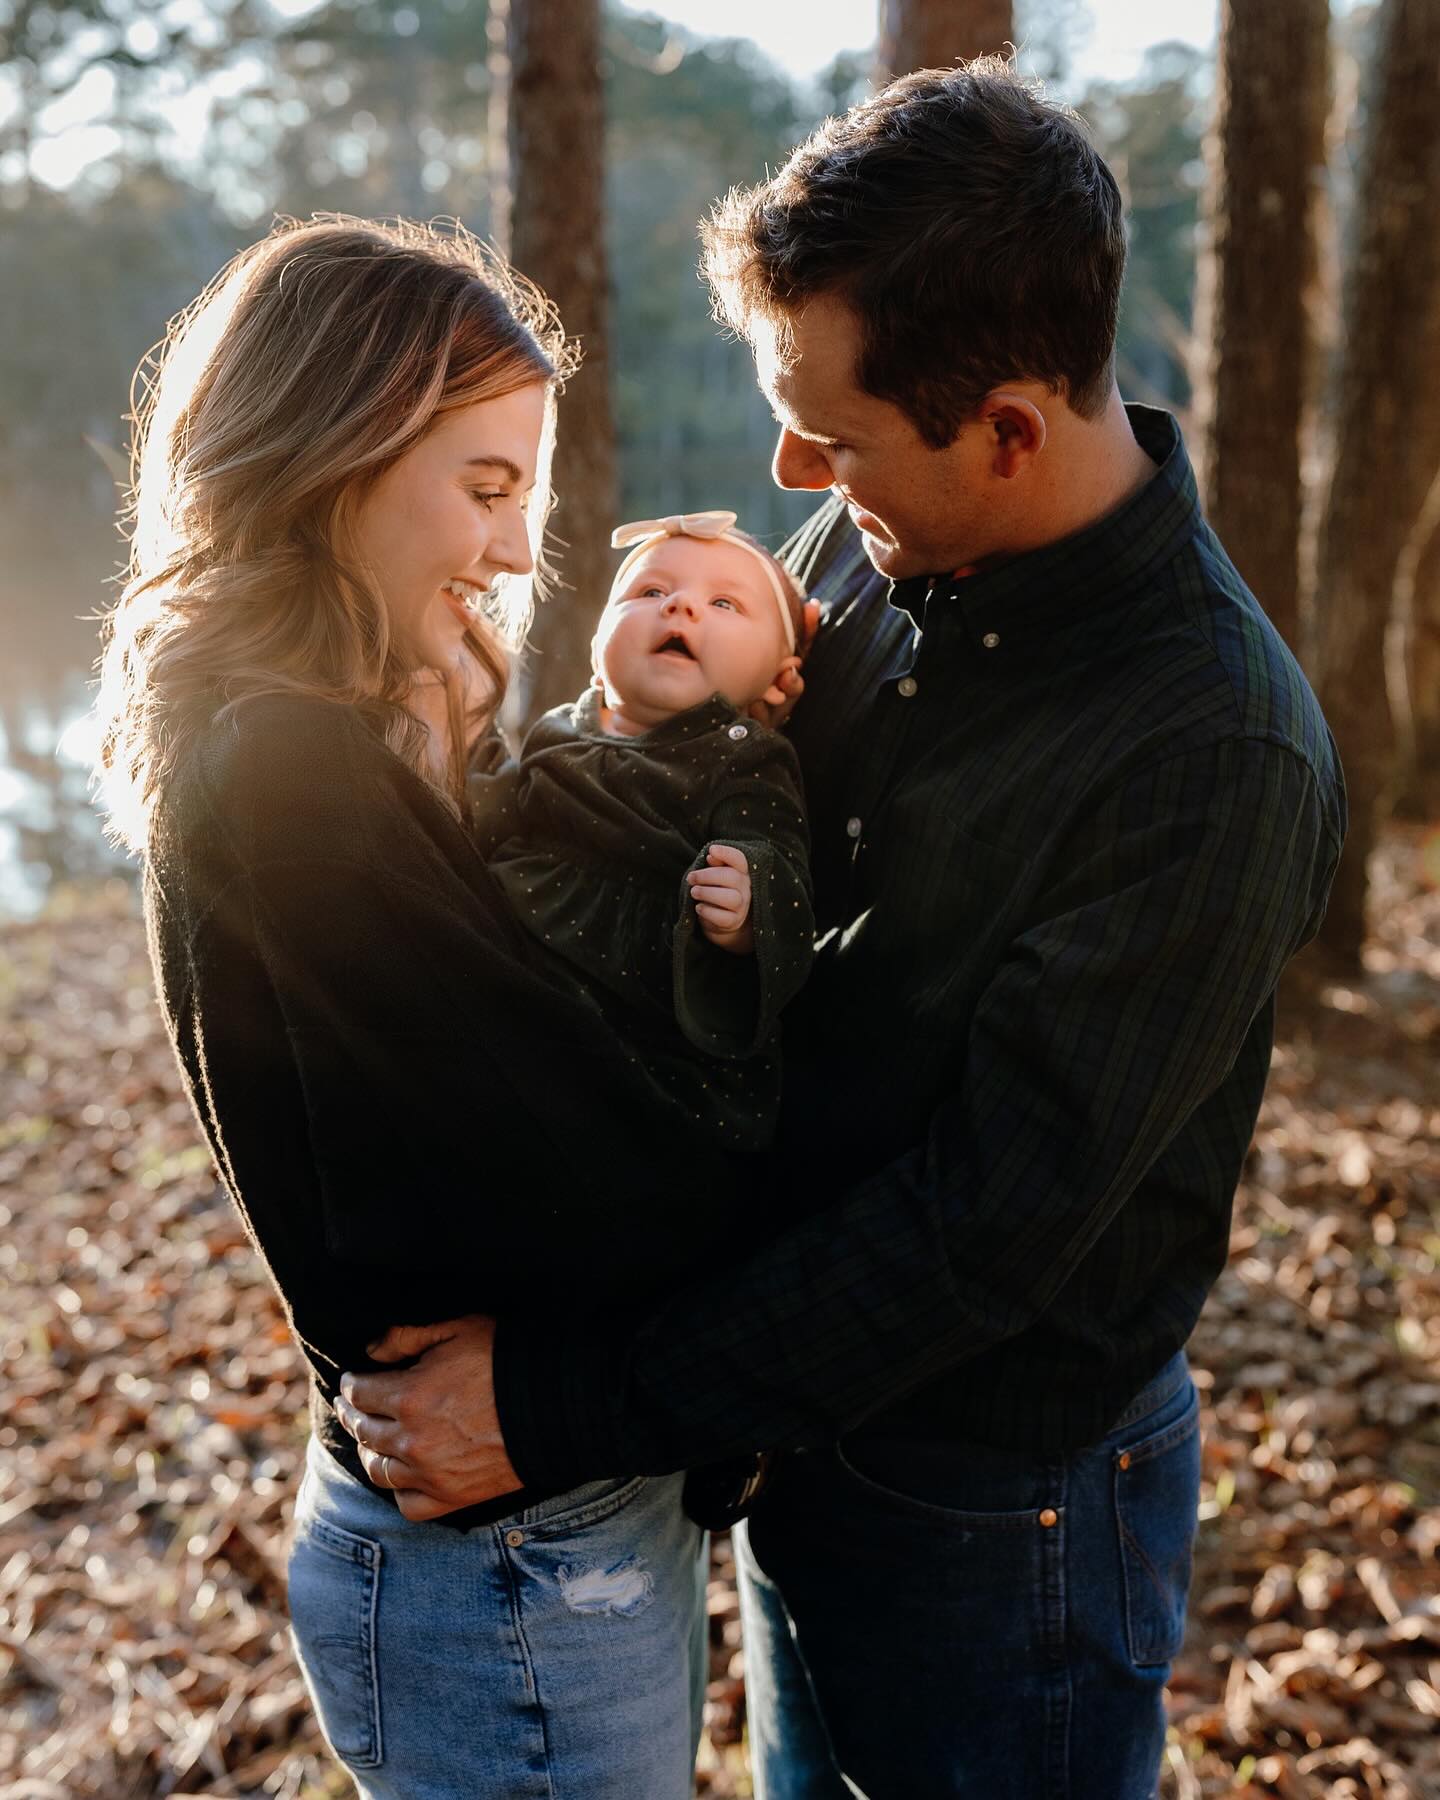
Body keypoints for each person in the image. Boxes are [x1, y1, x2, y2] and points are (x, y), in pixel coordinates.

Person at [334, 62, 1347, 1800]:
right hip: (787, 1422)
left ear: (1013, 427)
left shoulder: (1213, 749)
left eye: (836, 433)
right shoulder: (888, 532)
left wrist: (564, 1406)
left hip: (996, 1515)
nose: (794, 470)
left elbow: (984, 1230)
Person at [96, 214, 785, 1800]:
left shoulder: (343, 737)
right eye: (483, 490)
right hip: (510, 1571)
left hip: (535, 1534)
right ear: (331, 453)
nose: (506, 549)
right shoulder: (288, 771)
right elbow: (611, 1171)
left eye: (521, 497)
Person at [472, 509, 814, 1152]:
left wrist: (749, 904)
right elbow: (495, 817)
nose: (680, 607)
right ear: (598, 645)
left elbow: (779, 857)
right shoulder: (559, 728)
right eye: (650, 592)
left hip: (640, 1034)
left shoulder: (742, 755)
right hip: (510, 990)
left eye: (724, 603)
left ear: (780, 680)